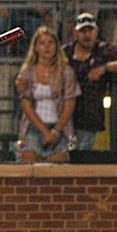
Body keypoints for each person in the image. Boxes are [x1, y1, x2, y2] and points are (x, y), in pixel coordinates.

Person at [63, 12, 117, 151]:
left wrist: (105, 68)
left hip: (89, 118)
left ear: (96, 31)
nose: (87, 35)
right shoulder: (65, 52)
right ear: (75, 32)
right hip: (63, 117)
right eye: (83, 31)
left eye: (90, 30)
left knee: (82, 159)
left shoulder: (103, 50)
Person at [16, 26, 81, 162]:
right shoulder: (27, 72)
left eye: (50, 43)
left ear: (57, 46)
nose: (46, 47)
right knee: (30, 160)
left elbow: (69, 105)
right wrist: (45, 131)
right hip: (34, 128)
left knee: (59, 162)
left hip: (60, 128)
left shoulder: (66, 72)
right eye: (42, 43)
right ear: (36, 47)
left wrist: (55, 131)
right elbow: (26, 105)